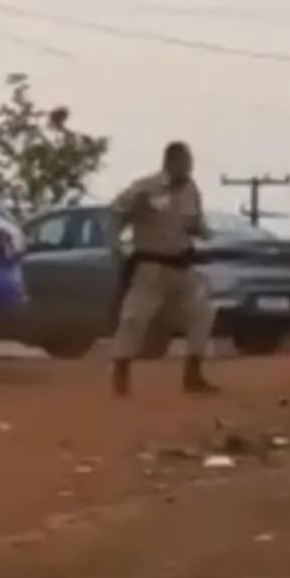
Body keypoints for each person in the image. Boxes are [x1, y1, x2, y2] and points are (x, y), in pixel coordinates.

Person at [110, 141, 216, 397]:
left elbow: (196, 223)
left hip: (181, 264)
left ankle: (193, 374)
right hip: (151, 265)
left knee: (203, 311)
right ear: (171, 162)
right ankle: (121, 371)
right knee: (134, 318)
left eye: (190, 164)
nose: (188, 168)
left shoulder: (191, 189)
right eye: (184, 163)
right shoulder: (146, 188)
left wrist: (201, 230)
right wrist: (119, 237)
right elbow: (115, 211)